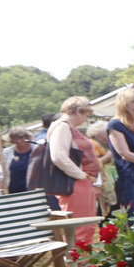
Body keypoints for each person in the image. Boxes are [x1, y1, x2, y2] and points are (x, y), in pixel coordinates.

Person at [48, 97, 100, 245]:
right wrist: (81, 175)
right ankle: (77, 259)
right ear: (78, 111)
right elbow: (58, 156)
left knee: (88, 226)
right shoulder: (62, 127)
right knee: (79, 228)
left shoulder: (67, 127)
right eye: (86, 115)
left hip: (81, 182)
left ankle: (86, 259)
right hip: (74, 183)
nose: (86, 119)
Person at [87, 120, 117, 216]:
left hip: (110, 179)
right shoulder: (93, 144)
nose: (108, 136)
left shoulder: (105, 144)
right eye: (105, 134)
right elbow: (94, 163)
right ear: (97, 134)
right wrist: (107, 157)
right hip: (100, 181)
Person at [0, 127, 35, 194]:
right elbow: (4, 172)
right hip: (14, 190)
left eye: (21, 138)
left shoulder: (36, 149)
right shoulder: (7, 152)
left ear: (27, 137)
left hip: (34, 189)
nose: (19, 141)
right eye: (15, 139)